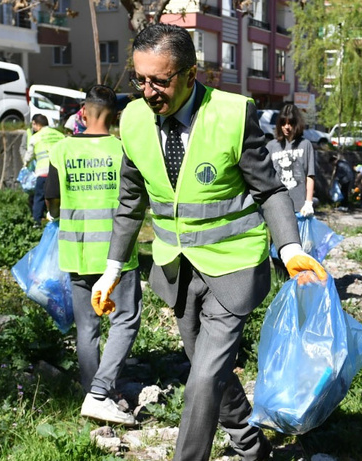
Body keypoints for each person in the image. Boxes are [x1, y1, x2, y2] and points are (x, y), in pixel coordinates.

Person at [91, 23, 326, 461]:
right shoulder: (135, 120)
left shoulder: (233, 114)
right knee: (212, 371)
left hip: (234, 267)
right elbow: (129, 204)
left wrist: (290, 247)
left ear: (190, 73)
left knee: (200, 379)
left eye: (159, 80)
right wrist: (111, 269)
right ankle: (251, 445)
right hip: (176, 269)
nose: (148, 91)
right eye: (140, 79)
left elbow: (270, 190)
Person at [44, 85, 142, 426]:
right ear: (115, 116)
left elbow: (52, 199)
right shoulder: (123, 148)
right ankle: (101, 392)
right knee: (125, 319)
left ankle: (90, 390)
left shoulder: (61, 149)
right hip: (116, 255)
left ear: (82, 113)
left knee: (87, 327)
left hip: (77, 251)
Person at [264, 103, 316, 217]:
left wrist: (308, 202)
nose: (286, 127)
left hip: (299, 207)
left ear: (296, 124)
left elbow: (310, 175)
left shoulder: (305, 145)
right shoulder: (271, 146)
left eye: (290, 123)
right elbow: (265, 175)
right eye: (283, 123)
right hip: (277, 206)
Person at [24, 114, 64, 227]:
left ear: (36, 124)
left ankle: (37, 222)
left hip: (43, 172)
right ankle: (58, 220)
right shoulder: (59, 135)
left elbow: (29, 156)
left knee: (39, 197)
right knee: (59, 197)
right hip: (59, 171)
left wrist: (25, 164)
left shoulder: (36, 137)